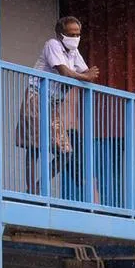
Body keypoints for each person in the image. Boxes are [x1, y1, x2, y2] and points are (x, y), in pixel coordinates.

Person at [15, 16, 100, 196]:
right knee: (34, 146)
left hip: (53, 103)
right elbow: (64, 71)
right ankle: (32, 190)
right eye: (71, 34)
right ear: (60, 34)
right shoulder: (52, 44)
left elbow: (84, 71)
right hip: (37, 98)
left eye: (77, 34)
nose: (75, 38)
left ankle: (38, 186)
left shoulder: (73, 51)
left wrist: (86, 75)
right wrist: (85, 77)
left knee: (66, 152)